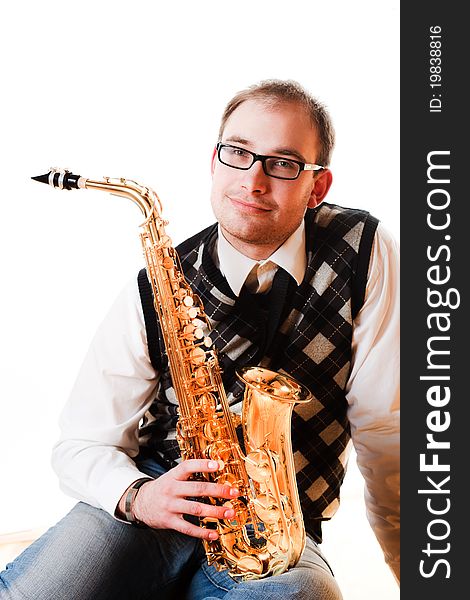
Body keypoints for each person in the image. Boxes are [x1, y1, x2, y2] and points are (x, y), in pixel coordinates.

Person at [0, 79, 399, 599]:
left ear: (317, 187)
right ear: (214, 161)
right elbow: (81, 443)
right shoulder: (157, 284)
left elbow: (387, 429)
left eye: (283, 163)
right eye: (238, 153)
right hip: (160, 495)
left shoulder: (364, 253)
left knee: (303, 596)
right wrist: (142, 498)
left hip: (278, 529)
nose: (253, 181)